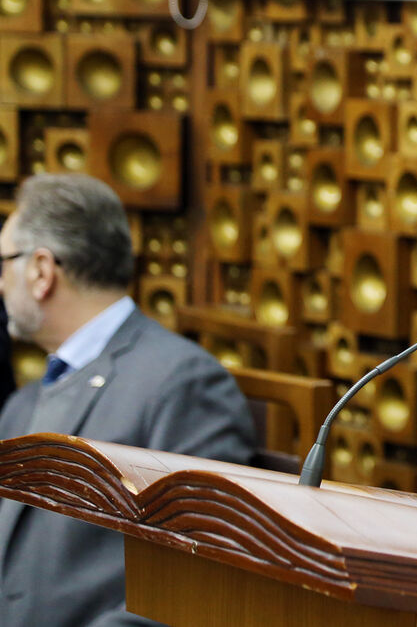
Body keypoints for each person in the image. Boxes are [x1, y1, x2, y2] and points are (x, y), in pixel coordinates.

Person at [0, 174, 255, 627]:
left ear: (41, 271)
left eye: (3, 264)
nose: (1, 285)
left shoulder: (182, 384)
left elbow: (194, 578)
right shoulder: (23, 402)